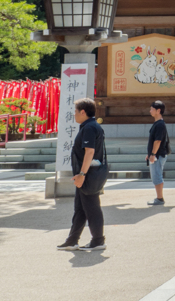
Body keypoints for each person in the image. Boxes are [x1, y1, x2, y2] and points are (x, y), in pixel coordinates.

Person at [57, 98, 106, 251]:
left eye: (76, 111)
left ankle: (98, 240)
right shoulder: (89, 126)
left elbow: (90, 151)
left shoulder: (90, 128)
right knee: (80, 208)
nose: (74, 114)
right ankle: (73, 240)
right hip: (88, 174)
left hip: (88, 174)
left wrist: (82, 174)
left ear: (83, 112)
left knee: (92, 207)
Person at [147, 100, 170, 206]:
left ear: (158, 111)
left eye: (152, 109)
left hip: (158, 155)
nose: (150, 111)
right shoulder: (158, 123)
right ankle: (159, 198)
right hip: (157, 154)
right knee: (156, 175)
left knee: (157, 176)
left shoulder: (160, 124)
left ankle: (159, 198)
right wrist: (150, 153)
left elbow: (158, 141)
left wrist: (153, 154)